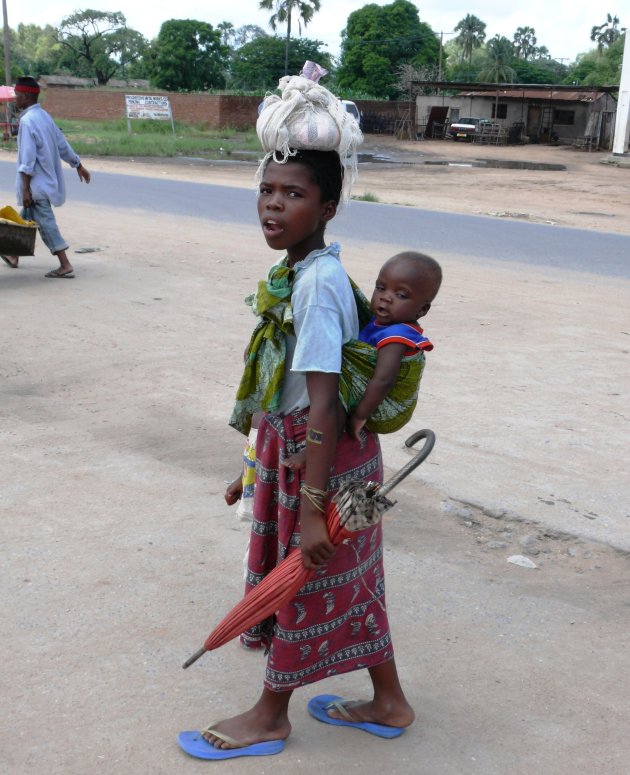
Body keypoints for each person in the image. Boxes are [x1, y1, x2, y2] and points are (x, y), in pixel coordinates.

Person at [178, 148, 415, 761]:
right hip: (326, 458)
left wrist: (312, 510)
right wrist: (252, 465)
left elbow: (323, 404)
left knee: (297, 582)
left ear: (328, 208)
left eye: (293, 194)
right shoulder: (308, 270)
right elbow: (282, 389)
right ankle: (389, 701)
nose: (273, 204)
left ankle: (269, 715)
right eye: (267, 190)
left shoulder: (314, 286)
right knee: (354, 582)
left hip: (323, 464)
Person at [282, 250, 442, 470]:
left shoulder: (398, 336)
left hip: (388, 407)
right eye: (381, 287)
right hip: (375, 392)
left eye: (401, 295)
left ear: (422, 309)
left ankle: (312, 451)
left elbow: (384, 380)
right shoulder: (381, 323)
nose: (386, 297)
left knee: (334, 405)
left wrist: (359, 416)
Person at [0, 76, 90, 278]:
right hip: (44, 183)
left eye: (17, 95)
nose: (15, 99)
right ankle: (14, 254)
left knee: (46, 224)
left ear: (26, 95)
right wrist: (78, 165)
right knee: (24, 220)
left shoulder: (27, 121)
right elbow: (62, 145)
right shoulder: (45, 117)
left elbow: (27, 159)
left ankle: (64, 264)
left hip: (35, 186)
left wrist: (25, 189)